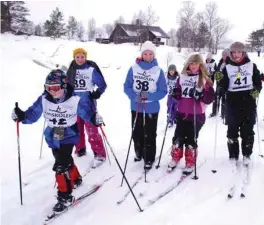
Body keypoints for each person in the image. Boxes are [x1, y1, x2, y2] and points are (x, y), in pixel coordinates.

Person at [11, 69, 102, 213]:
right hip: (54, 134)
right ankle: (76, 178)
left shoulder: (74, 99)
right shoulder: (44, 99)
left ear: (64, 86)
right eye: (48, 87)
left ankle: (65, 197)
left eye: (55, 88)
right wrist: (21, 116)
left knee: (60, 165)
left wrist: (93, 119)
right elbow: (32, 114)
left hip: (69, 133)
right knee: (62, 158)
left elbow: (86, 112)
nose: (52, 91)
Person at [215, 42, 262, 167]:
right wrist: (221, 88)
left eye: (239, 52)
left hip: (248, 102)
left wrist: (256, 92)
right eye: (234, 52)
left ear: (243, 53)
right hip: (232, 103)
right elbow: (224, 83)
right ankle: (233, 155)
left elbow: (257, 82)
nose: (236, 55)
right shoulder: (227, 67)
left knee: (247, 130)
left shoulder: (251, 66)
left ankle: (246, 155)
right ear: (231, 53)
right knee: (232, 131)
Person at [124, 41, 167, 170]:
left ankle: (149, 157)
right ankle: (139, 152)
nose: (148, 56)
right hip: (135, 105)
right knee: (136, 132)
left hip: (151, 108)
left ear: (154, 55)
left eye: (150, 54)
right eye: (145, 53)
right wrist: (133, 96)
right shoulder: (133, 68)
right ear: (141, 54)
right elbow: (126, 86)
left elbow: (163, 91)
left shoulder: (158, 70)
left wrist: (149, 96)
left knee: (149, 133)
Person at [168, 53, 214, 173]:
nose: (194, 66)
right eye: (192, 63)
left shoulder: (204, 78)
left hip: (197, 114)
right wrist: (176, 93)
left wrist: (201, 96)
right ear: (188, 64)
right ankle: (175, 158)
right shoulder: (182, 77)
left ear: (201, 65)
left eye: (196, 63)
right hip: (182, 112)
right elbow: (178, 92)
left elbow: (210, 98)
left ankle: (190, 161)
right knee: (178, 137)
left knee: (191, 139)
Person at [67, 48, 107, 166]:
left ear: (86, 57)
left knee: (92, 130)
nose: (80, 59)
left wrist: (98, 92)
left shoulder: (91, 69)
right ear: (74, 57)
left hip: (87, 104)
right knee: (76, 129)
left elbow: (102, 84)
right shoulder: (70, 70)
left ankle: (99, 154)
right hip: (74, 104)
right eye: (77, 57)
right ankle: (80, 149)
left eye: (82, 57)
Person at [209, 48, 230, 119]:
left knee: (224, 100)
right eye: (223, 55)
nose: (224, 57)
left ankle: (223, 114)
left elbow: (229, 74)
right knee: (216, 99)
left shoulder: (230, 63)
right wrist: (216, 74)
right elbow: (217, 71)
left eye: (225, 55)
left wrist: (223, 76)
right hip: (219, 84)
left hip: (226, 85)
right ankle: (214, 112)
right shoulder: (220, 62)